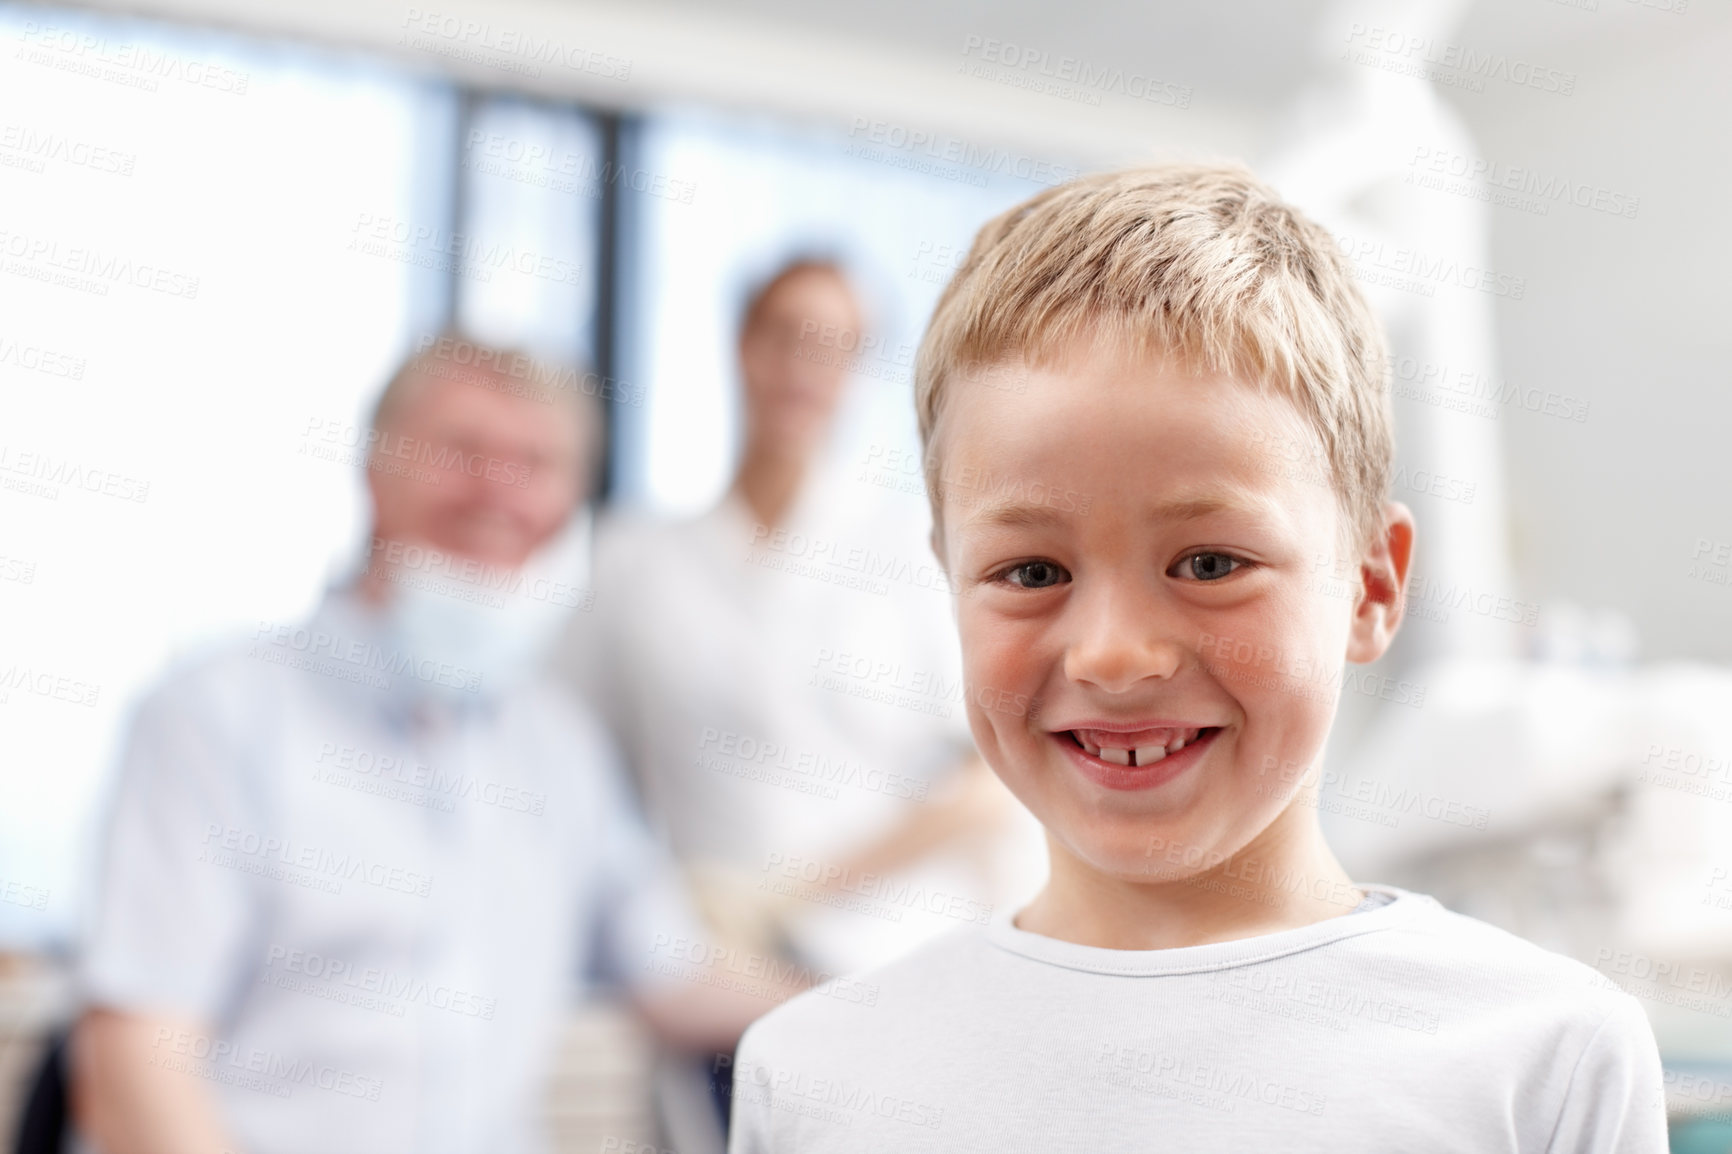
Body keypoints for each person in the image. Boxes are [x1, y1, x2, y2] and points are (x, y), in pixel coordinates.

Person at [726, 166, 1669, 1151]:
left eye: (1210, 561)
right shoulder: (812, 1077)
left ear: (1372, 585)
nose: (1114, 653)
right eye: (1031, 568)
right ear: (949, 584)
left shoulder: (1544, 1059)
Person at [70, 339, 784, 1154]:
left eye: (537, 461)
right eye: (461, 451)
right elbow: (135, 1060)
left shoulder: (558, 746)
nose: (498, 489)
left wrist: (878, 1000)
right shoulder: (213, 716)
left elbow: (675, 974)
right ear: (375, 473)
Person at [558, 259, 1028, 1144]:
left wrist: (790, 893)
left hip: (885, 970)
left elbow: (991, 787)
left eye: (834, 346)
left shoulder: (916, 557)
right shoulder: (637, 562)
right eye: (784, 336)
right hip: (709, 988)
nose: (803, 367)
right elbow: (567, 770)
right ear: (741, 347)